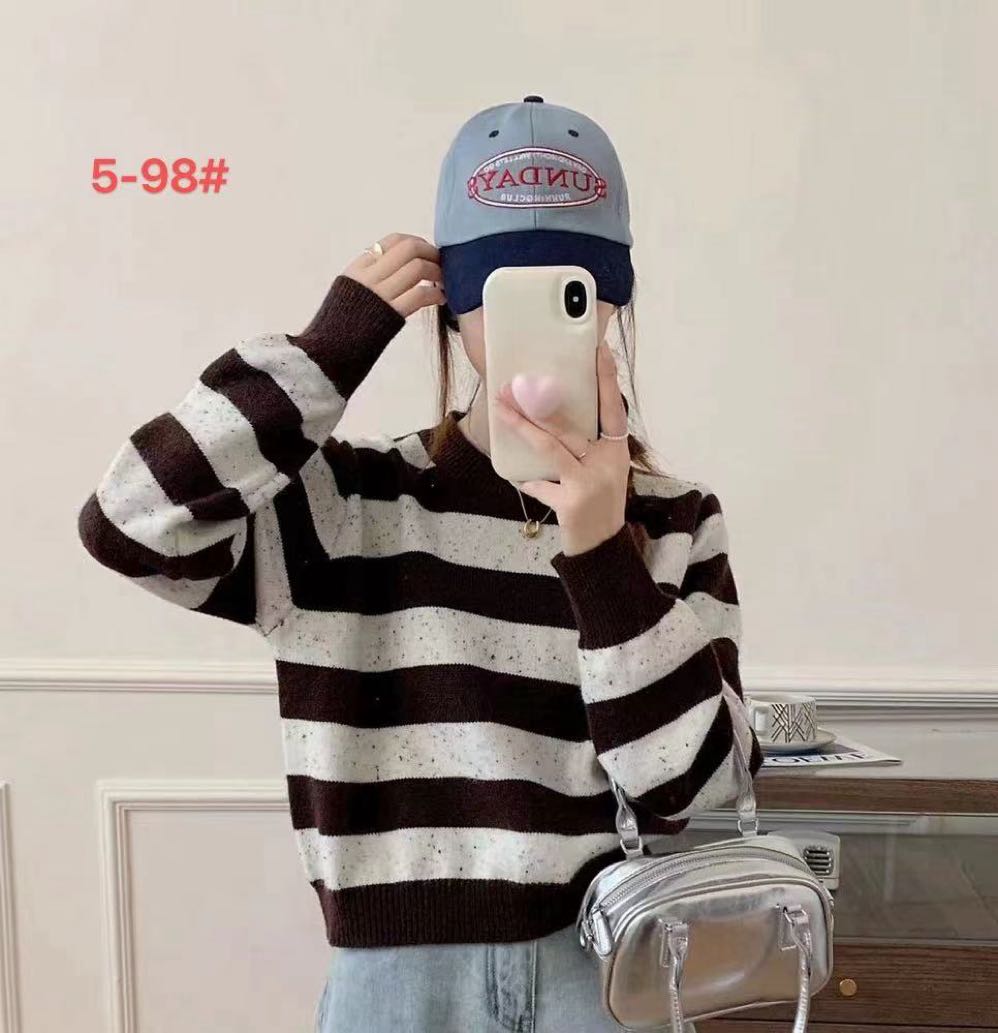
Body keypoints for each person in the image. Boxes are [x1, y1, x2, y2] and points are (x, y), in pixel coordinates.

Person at [77, 96, 763, 1032]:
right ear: (448, 307)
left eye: (567, 288)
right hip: (396, 988)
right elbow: (128, 524)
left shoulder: (676, 518)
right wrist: (326, 353)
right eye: (497, 293)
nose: (526, 326)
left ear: (612, 299)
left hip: (602, 970)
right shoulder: (348, 503)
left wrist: (602, 552)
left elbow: (697, 787)